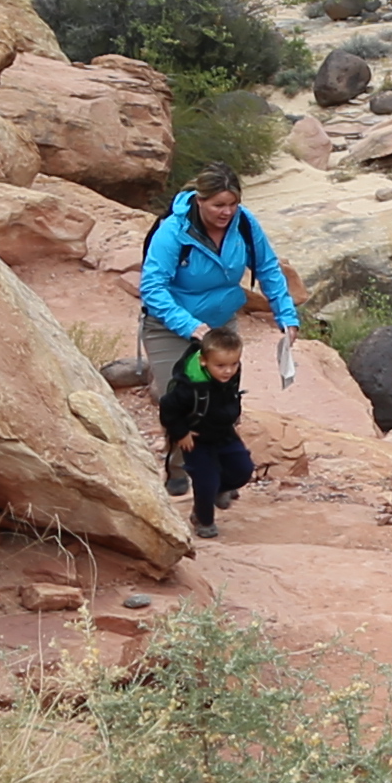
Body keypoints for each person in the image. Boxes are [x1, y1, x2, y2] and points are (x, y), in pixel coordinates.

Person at [135, 168, 288, 540]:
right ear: (199, 200)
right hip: (171, 324)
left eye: (233, 204)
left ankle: (217, 474)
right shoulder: (174, 232)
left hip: (220, 323)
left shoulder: (244, 225)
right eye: (219, 205)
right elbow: (152, 286)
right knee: (180, 398)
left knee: (221, 393)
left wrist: (286, 314)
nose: (227, 212)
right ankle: (177, 464)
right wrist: (189, 326)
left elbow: (267, 267)